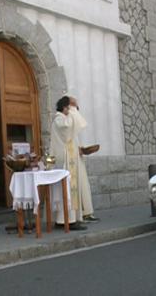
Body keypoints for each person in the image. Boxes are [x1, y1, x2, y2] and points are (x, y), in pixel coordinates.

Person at [50, 96, 98, 231]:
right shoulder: (60, 119)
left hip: (69, 158)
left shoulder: (63, 119)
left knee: (68, 190)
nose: (70, 110)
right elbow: (68, 130)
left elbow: (72, 137)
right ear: (65, 107)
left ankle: (66, 219)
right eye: (69, 107)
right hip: (65, 161)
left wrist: (80, 149)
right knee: (67, 190)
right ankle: (68, 220)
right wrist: (73, 110)